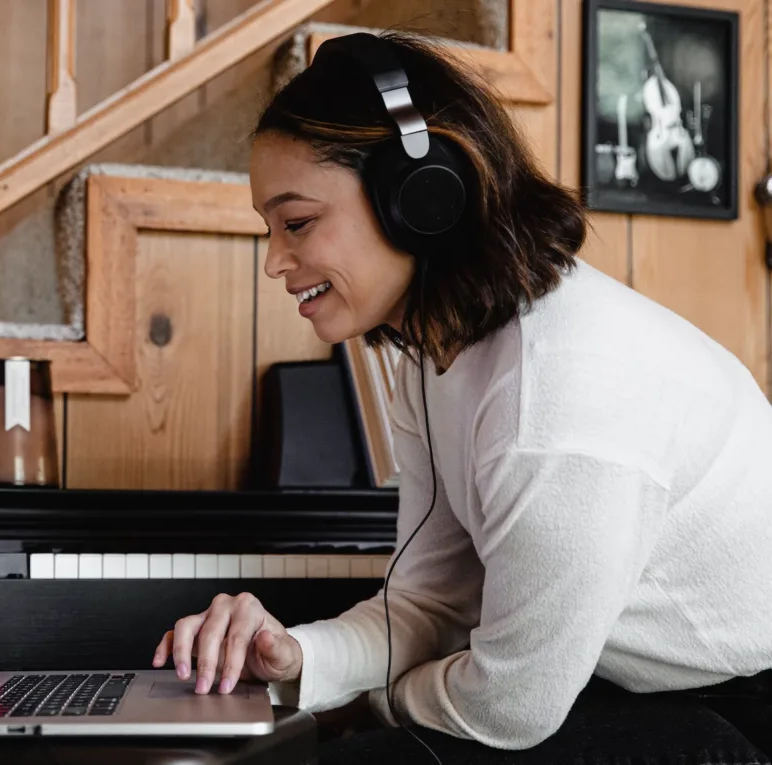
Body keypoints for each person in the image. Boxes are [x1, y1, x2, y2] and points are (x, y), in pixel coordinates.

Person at [152, 30, 772, 764]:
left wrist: (373, 700)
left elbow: (511, 705)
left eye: (297, 223)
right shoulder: (437, 353)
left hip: (738, 711)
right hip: (621, 686)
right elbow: (434, 605)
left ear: (419, 197)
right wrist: (296, 662)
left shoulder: (555, 399)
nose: (275, 262)